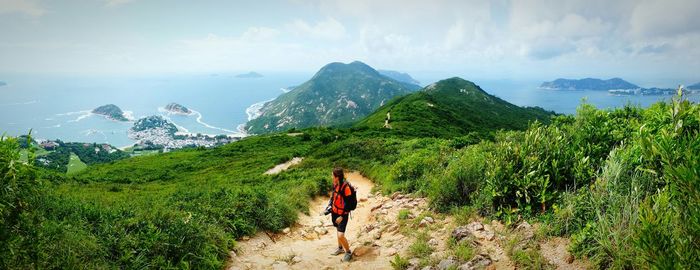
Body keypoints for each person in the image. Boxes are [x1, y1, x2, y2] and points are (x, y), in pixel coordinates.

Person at [326, 167, 353, 262]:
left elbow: (349, 203)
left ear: (337, 177)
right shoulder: (335, 184)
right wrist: (329, 207)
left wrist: (342, 216)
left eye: (332, 175)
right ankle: (340, 248)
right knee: (338, 230)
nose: (331, 177)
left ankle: (348, 252)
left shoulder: (346, 187)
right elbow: (333, 196)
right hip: (335, 211)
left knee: (341, 235)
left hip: (342, 214)